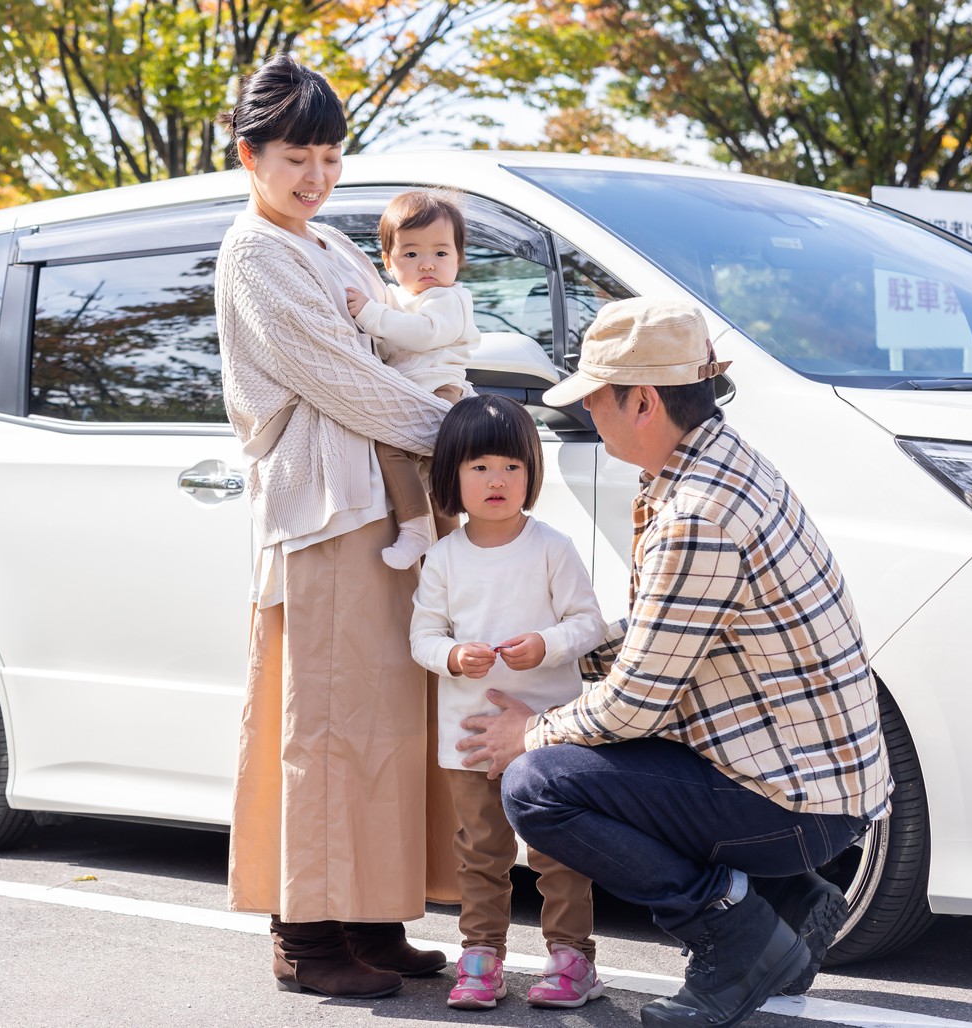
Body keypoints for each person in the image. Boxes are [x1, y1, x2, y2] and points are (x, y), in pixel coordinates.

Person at [456, 298, 893, 1028]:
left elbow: (634, 706)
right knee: (583, 753)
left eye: (594, 396)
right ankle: (787, 901)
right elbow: (673, 631)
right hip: (825, 790)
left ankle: (736, 933)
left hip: (792, 806)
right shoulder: (726, 464)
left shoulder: (697, 514)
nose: (588, 412)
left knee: (538, 786)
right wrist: (565, 644)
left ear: (642, 401)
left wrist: (527, 733)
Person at [211, 54, 460, 1000]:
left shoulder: (333, 245)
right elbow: (343, 377)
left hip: (379, 505)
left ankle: (369, 917)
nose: (314, 175)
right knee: (322, 722)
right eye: (294, 157)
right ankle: (306, 937)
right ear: (250, 155)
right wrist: (464, 435)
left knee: (387, 720)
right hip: (322, 514)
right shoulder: (256, 250)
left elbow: (408, 337)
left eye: (328, 155)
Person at [408, 394, 608, 1012]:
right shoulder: (442, 558)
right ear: (451, 477)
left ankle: (572, 956)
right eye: (479, 468)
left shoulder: (551, 546)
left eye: (512, 467)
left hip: (548, 737)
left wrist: (546, 645)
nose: (497, 480)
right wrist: (451, 656)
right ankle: (481, 956)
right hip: (467, 736)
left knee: (558, 850)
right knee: (481, 851)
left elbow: (590, 624)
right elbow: (422, 637)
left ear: (531, 474)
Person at [345, 190, 479, 569]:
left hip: (441, 390)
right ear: (388, 261)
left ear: (458, 260)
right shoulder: (392, 299)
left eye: (440, 253)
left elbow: (423, 334)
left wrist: (371, 315)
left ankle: (436, 535)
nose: (427, 265)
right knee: (401, 457)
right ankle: (422, 529)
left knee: (436, 466)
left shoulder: (448, 298)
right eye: (411, 253)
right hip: (409, 394)